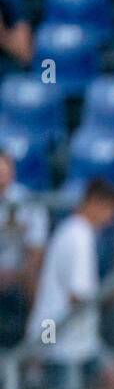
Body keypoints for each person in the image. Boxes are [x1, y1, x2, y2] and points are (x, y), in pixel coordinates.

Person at [23, 179, 114, 389]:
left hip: (77, 337)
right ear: (95, 203)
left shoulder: (74, 231)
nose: (110, 219)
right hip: (57, 335)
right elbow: (78, 297)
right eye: (109, 210)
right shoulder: (78, 235)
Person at [0, 148, 47, 347]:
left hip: (21, 274)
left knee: (38, 282)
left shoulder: (28, 201)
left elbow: (36, 250)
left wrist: (17, 274)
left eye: (5, 168)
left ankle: (42, 346)